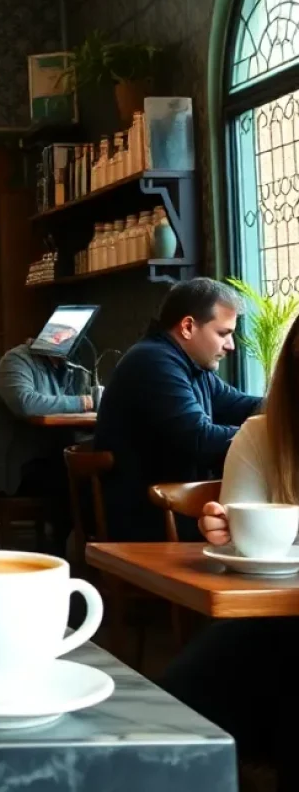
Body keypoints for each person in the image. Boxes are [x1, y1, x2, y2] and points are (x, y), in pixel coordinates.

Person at [159, 313, 299, 787]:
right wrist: (225, 529)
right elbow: (247, 547)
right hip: (271, 619)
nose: (230, 346)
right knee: (176, 710)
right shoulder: (262, 435)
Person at [95, 278, 262, 541]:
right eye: (223, 333)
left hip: (178, 515)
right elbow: (199, 439)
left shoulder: (191, 366)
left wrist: (285, 406)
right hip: (151, 526)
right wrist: (268, 438)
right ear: (187, 327)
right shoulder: (153, 361)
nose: (230, 345)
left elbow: (243, 406)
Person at [0, 338, 92, 552]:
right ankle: (60, 551)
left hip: (45, 455)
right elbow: (26, 403)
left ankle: (82, 549)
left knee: (90, 474)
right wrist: (84, 402)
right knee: (72, 479)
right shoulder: (16, 360)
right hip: (12, 465)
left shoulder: (64, 366)